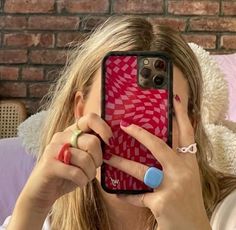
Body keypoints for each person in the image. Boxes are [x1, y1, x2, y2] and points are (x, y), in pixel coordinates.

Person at [2, 16, 236, 230]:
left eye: (160, 112)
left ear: (191, 126)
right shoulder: (43, 217)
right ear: (80, 110)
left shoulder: (229, 210)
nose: (138, 130)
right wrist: (30, 208)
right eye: (119, 107)